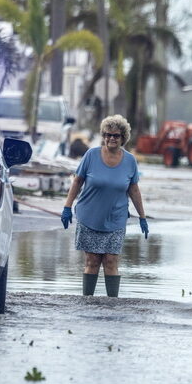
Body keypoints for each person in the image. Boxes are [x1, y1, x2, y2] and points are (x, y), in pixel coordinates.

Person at [61, 114, 148, 297]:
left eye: (115, 135)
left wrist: (142, 216)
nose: (111, 138)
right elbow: (77, 182)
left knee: (110, 261)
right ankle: (88, 302)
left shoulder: (130, 161)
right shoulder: (91, 155)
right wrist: (67, 207)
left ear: (123, 137)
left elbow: (134, 190)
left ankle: (112, 304)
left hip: (116, 219)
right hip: (89, 216)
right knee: (92, 261)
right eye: (107, 134)